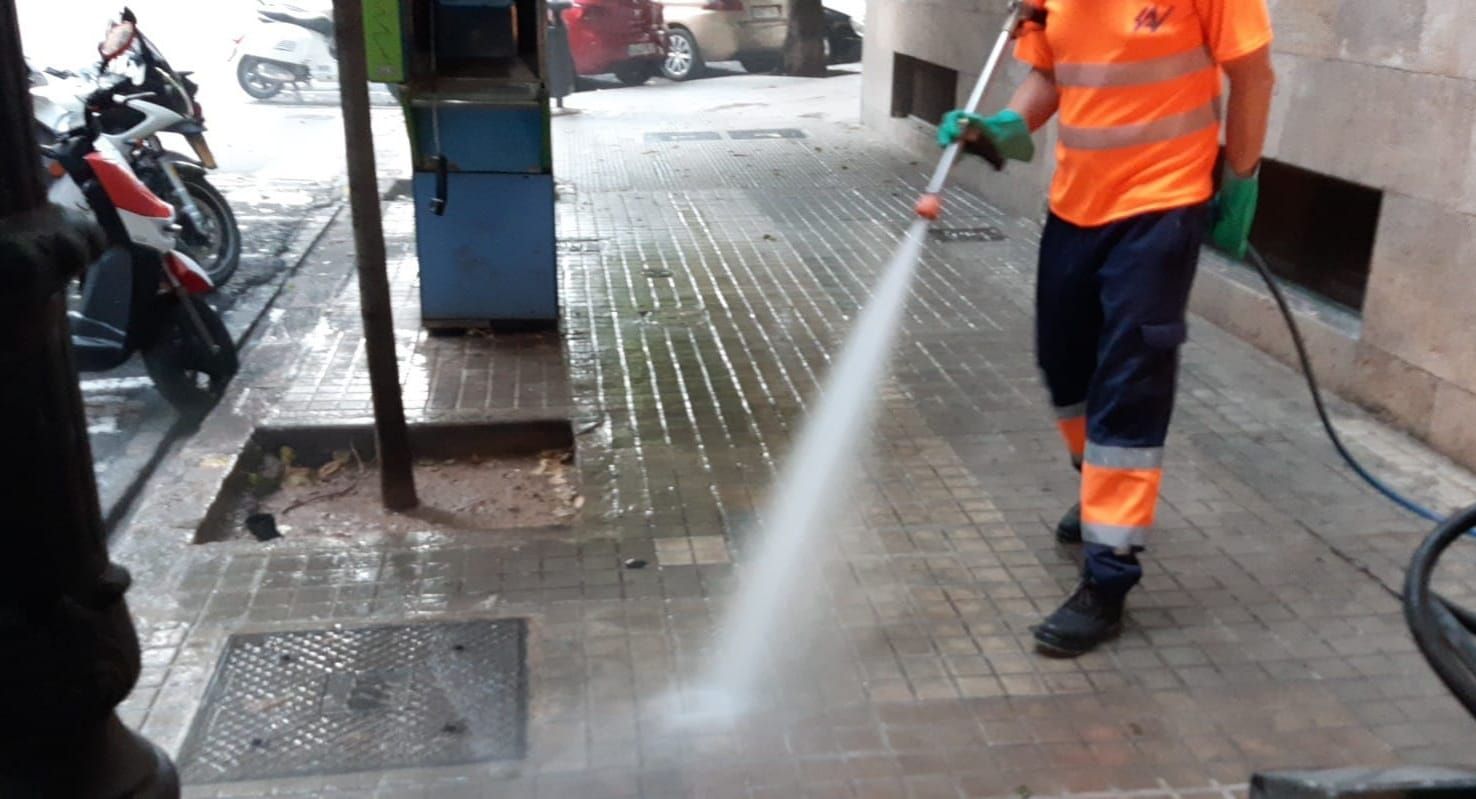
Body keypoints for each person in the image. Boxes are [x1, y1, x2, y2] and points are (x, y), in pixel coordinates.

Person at [938, 0, 1276, 656]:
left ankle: (1108, 577)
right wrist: (1004, 125)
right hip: (1074, 205)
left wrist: (1240, 180)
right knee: (1062, 362)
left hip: (1161, 208)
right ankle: (1095, 483)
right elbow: (1053, 73)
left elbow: (1255, 75)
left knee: (1129, 384)